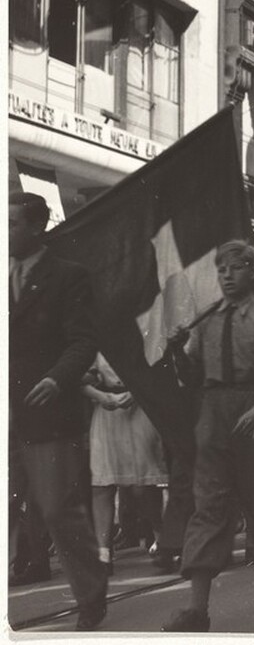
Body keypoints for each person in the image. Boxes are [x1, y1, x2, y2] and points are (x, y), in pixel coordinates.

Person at [161, 241, 254, 632]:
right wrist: (178, 351)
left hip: (252, 413)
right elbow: (192, 376)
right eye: (222, 269)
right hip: (212, 415)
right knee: (208, 506)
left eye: (237, 267)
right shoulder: (206, 320)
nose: (227, 275)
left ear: (253, 271)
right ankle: (197, 609)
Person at [8, 191, 109, 631]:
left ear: (37, 227)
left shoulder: (68, 276)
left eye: (11, 224)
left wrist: (57, 378)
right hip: (8, 415)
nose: (4, 233)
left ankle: (90, 595)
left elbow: (83, 340)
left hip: (47, 413)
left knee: (56, 510)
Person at [82, 353, 168, 574]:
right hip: (106, 410)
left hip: (140, 408)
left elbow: (158, 368)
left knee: (144, 484)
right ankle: (103, 553)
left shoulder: (141, 333)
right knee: (102, 483)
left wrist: (137, 392)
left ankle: (162, 538)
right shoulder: (93, 341)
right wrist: (101, 396)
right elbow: (79, 377)